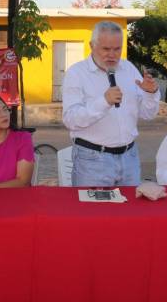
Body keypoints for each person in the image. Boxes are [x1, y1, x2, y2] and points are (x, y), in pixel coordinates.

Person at [61, 21, 160, 186]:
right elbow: (70, 120)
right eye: (106, 49)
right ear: (92, 46)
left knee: (130, 211)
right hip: (92, 160)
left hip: (129, 157)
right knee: (95, 212)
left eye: (117, 49)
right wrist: (104, 102)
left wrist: (150, 94)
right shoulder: (76, 73)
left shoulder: (128, 69)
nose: (112, 55)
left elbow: (147, 114)